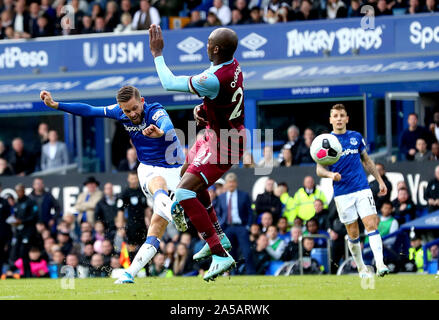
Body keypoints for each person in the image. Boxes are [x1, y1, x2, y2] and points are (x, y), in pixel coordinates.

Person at [40, 86, 186, 285]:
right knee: (156, 184)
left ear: (142, 101)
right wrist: (57, 105)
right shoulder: (119, 111)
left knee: (156, 229)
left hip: (176, 171)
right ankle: (171, 211)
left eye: (135, 108)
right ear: (121, 108)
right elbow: (90, 111)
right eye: (127, 111)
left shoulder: (155, 110)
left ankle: (129, 273)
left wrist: (161, 132)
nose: (132, 113)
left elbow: (167, 124)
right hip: (150, 168)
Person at [149, 24, 246, 281]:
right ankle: (217, 233)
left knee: (183, 191)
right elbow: (223, 99)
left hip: (225, 143)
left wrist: (157, 53)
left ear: (215, 49)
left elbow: (169, 83)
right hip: (216, 134)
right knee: (185, 173)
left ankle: (219, 253)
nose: (205, 45)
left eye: (208, 42)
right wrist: (204, 111)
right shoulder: (232, 65)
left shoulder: (212, 79)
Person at [316, 104, 390, 277]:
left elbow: (367, 161)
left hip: (362, 188)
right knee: (353, 232)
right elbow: (319, 169)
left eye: (342, 115)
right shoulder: (326, 142)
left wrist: (379, 181)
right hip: (342, 193)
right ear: (331, 120)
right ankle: (361, 267)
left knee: (371, 224)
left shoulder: (356, 137)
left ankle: (380, 264)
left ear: (347, 118)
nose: (339, 118)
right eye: (335, 116)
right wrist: (330, 174)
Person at [213, 172, 255, 274]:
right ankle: (233, 275)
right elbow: (218, 213)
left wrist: (248, 227)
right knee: (231, 254)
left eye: (233, 182)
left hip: (241, 228)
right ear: (226, 184)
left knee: (247, 252)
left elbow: (250, 212)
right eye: (229, 182)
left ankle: (252, 274)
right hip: (227, 228)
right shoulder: (221, 197)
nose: (231, 184)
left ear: (236, 183)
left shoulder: (244, 195)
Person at [7, 184, 39, 277]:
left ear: (24, 191)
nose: (18, 193)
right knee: (17, 252)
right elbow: (17, 216)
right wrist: (14, 221)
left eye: (20, 191)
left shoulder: (30, 202)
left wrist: (22, 221)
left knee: (25, 253)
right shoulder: (17, 204)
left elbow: (34, 216)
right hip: (19, 232)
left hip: (28, 232)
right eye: (17, 191)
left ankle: (27, 274)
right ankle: (20, 272)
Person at [116, 172, 148, 262]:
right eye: (132, 178)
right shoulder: (125, 193)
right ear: (128, 179)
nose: (133, 181)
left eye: (135, 178)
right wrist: (121, 227)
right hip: (131, 224)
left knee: (145, 247)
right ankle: (131, 269)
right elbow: (120, 211)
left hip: (142, 224)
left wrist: (149, 221)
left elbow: (146, 209)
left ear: (137, 179)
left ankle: (146, 272)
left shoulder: (142, 192)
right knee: (131, 248)